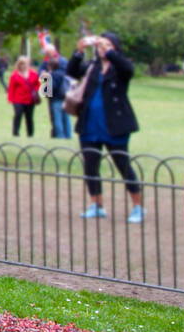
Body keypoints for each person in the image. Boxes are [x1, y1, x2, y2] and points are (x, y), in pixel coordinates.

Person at [67, 31, 144, 223]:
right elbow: (71, 71)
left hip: (115, 125)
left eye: (107, 45)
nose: (102, 49)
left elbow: (129, 70)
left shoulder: (120, 66)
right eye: (100, 46)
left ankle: (138, 207)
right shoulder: (92, 66)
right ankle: (96, 204)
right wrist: (79, 51)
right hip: (90, 124)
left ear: (115, 47)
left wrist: (109, 52)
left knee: (123, 165)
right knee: (91, 167)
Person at [7, 55, 39, 138]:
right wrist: (10, 99)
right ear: (19, 65)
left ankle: (30, 134)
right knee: (18, 115)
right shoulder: (14, 75)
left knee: (29, 117)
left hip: (30, 100)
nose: (24, 66)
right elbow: (11, 88)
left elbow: (38, 84)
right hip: (18, 99)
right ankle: (15, 133)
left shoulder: (33, 73)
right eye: (22, 64)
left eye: (26, 64)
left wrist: (35, 91)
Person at [48, 56, 72, 139]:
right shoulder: (64, 74)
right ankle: (68, 135)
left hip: (56, 99)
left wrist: (44, 80)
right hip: (65, 98)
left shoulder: (52, 75)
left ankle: (60, 136)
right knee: (66, 118)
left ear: (50, 66)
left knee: (57, 119)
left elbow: (50, 89)